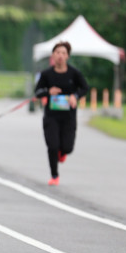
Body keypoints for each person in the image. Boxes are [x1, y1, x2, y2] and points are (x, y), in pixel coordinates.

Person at [34, 41, 88, 186]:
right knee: (52, 146)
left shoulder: (74, 73)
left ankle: (62, 152)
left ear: (68, 56)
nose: (60, 56)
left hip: (68, 116)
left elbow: (84, 88)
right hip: (51, 116)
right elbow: (37, 91)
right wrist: (48, 92)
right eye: (57, 52)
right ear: (53, 55)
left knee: (67, 147)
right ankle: (54, 175)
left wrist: (75, 96)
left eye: (63, 53)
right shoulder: (46, 74)